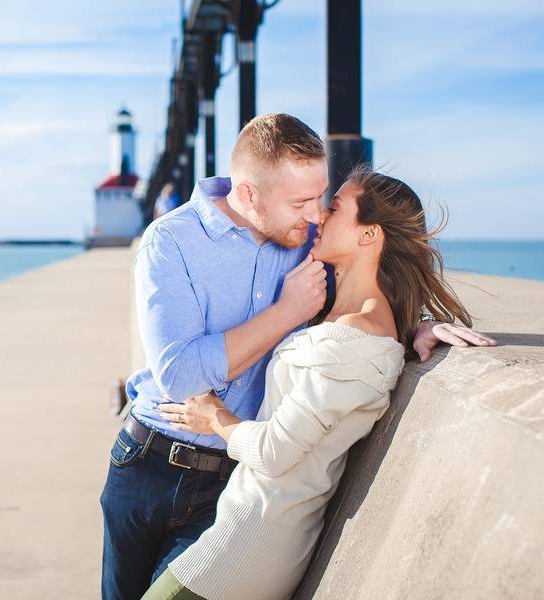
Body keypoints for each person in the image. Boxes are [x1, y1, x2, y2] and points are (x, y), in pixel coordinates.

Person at [99, 114, 495, 600]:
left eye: (323, 198)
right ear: (249, 196)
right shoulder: (171, 241)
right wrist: (288, 311)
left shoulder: (307, 239)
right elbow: (181, 376)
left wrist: (420, 323)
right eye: (302, 202)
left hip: (230, 478)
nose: (315, 214)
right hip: (146, 464)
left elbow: (365, 297)